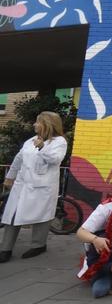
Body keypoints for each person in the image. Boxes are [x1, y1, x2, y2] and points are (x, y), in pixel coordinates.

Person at [0, 111, 68, 262]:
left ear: (47, 125)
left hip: (42, 187)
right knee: (12, 214)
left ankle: (39, 245)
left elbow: (56, 160)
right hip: (22, 185)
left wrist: (42, 147)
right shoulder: (30, 141)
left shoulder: (59, 142)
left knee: (41, 217)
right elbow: (19, 158)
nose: (34, 124)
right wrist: (10, 177)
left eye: (38, 122)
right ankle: (5, 249)